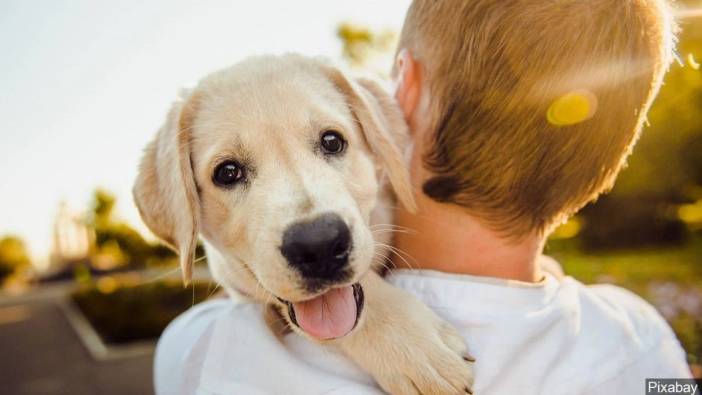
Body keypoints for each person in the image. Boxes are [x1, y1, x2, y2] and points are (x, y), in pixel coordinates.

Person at [154, 0, 693, 394]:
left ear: (400, 94)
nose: (311, 221)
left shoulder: (204, 354)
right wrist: (371, 314)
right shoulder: (642, 340)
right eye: (229, 173)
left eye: (331, 142)